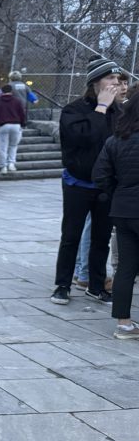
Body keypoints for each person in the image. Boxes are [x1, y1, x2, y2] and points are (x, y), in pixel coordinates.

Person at [50, 56, 127, 305]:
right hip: (77, 183)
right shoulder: (73, 110)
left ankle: (96, 285)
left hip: (106, 186)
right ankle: (63, 285)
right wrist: (101, 108)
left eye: (118, 78)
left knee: (101, 238)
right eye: (110, 78)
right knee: (71, 236)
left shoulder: (120, 112)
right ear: (95, 82)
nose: (116, 83)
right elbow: (85, 139)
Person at [93, 92, 139, 338]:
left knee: (126, 269)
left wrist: (119, 193)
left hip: (122, 211)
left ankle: (124, 324)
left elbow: (99, 175)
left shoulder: (115, 140)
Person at [0, 84, 27, 174]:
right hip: (16, 125)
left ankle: (3, 167)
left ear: (2, 92)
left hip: (2, 125)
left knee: (3, 148)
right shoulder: (17, 101)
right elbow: (22, 113)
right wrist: (22, 124)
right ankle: (11, 164)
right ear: (11, 91)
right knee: (13, 146)